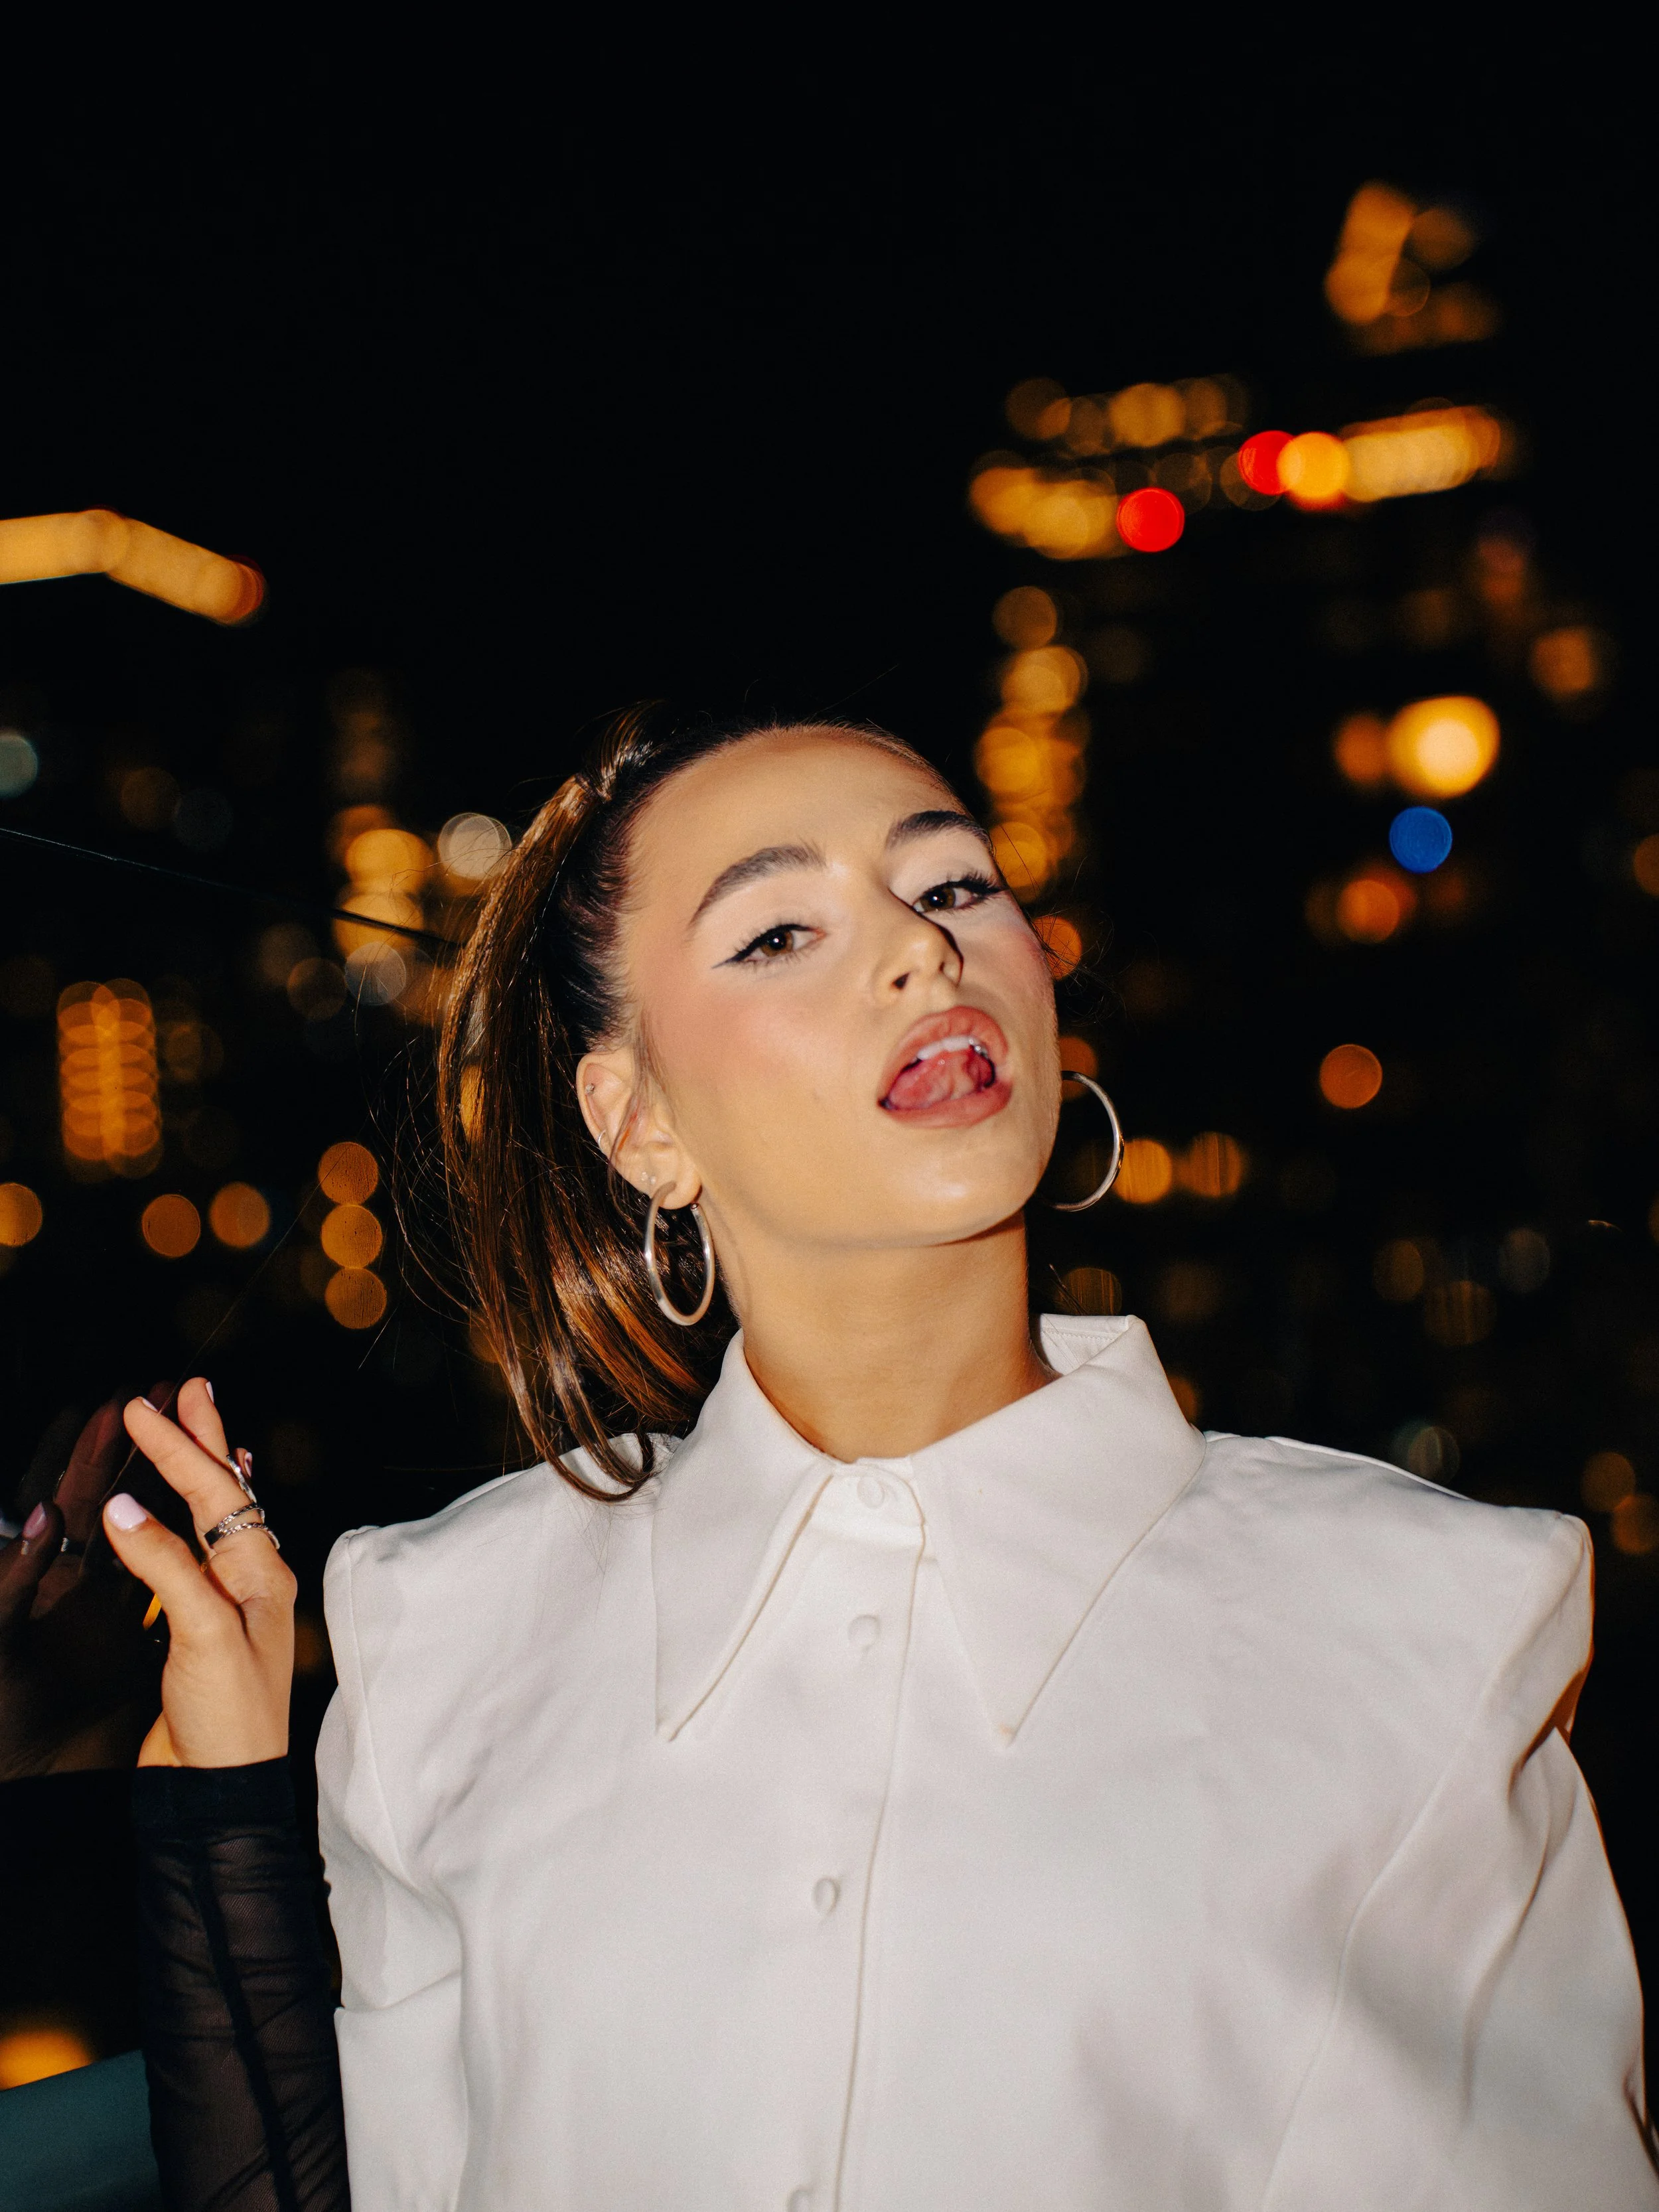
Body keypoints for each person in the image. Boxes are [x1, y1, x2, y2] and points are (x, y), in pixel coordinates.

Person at [99, 712, 1657, 2209]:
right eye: (780, 931)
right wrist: (222, 1801)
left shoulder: (1423, 1627)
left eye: (953, 885)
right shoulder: (441, 1631)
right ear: (637, 1121)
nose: (921, 947)